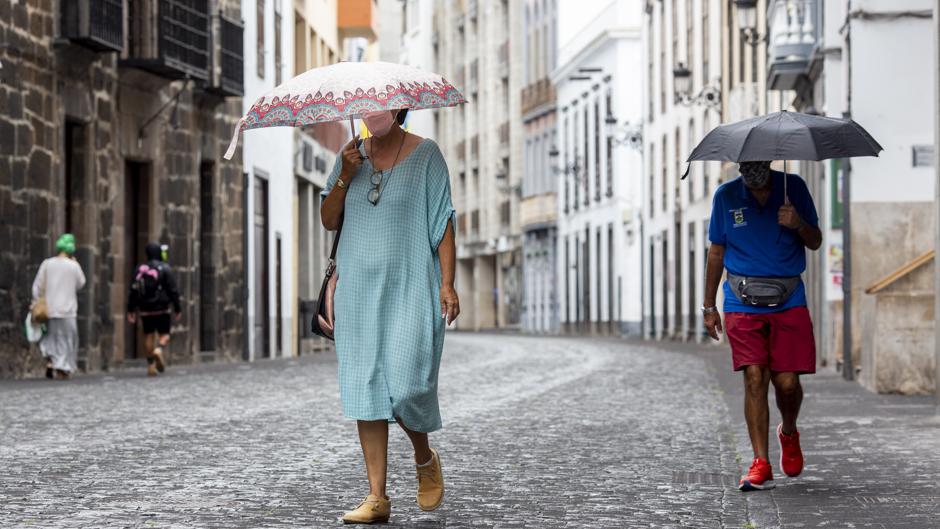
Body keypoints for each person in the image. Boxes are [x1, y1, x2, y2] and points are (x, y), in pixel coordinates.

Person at [320, 108, 458, 524]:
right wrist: (345, 172)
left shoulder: (426, 154)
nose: (371, 114)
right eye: (365, 107)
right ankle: (377, 496)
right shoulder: (350, 156)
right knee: (366, 390)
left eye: (380, 106)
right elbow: (329, 219)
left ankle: (423, 456)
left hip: (411, 287)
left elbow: (443, 223)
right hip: (358, 292)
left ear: (397, 109)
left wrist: (447, 284)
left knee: (407, 387)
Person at [704, 161, 822, 491]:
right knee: (754, 376)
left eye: (758, 162)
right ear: (740, 164)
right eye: (746, 163)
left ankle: (788, 430)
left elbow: (815, 241)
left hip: (788, 299)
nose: (752, 169)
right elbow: (716, 251)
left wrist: (798, 223)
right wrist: (709, 305)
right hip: (742, 302)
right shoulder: (726, 196)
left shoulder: (793, 188)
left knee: (786, 384)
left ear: (768, 161)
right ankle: (760, 463)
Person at [32, 234, 86, 380]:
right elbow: (81, 283)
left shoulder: (47, 263)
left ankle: (51, 361)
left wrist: (37, 300)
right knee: (68, 338)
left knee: (51, 337)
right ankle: (63, 367)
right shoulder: (73, 266)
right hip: (68, 310)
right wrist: (75, 263)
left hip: (50, 309)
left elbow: (37, 286)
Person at [126, 242, 182, 377]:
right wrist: (177, 307)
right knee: (165, 335)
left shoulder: (140, 269)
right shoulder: (165, 268)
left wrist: (131, 309)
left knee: (148, 335)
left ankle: (151, 364)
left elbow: (133, 290)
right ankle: (159, 349)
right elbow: (173, 290)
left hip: (145, 309)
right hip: (162, 308)